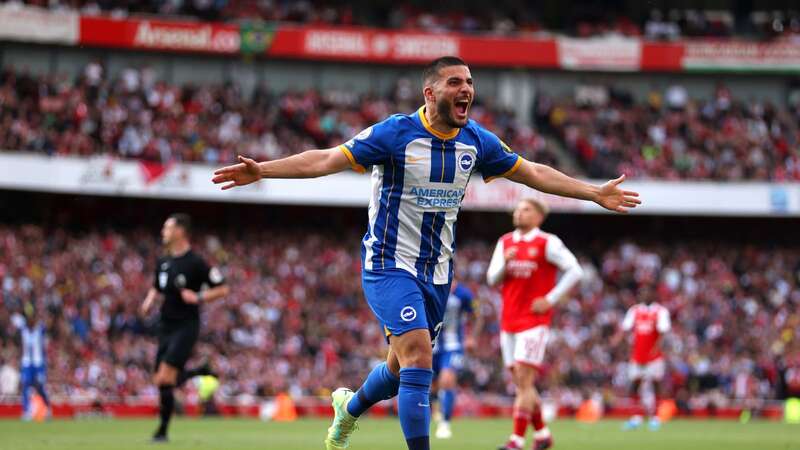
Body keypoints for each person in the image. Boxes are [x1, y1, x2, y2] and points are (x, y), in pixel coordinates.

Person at [212, 56, 640, 450]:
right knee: (419, 354)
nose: (467, 88)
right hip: (387, 263)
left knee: (400, 371)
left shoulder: (477, 141)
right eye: (455, 81)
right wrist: (263, 170)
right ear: (430, 93)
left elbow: (532, 172)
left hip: (437, 271)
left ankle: (350, 408)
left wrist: (592, 191)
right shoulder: (395, 134)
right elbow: (325, 159)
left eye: (470, 82)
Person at [487, 198, 584, 450]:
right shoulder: (505, 242)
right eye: (518, 209)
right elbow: (491, 278)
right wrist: (505, 264)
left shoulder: (547, 242)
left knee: (524, 379)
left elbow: (575, 270)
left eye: (526, 209)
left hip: (533, 320)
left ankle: (516, 441)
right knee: (521, 383)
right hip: (508, 320)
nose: (520, 213)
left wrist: (550, 299)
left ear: (539, 217)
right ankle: (542, 435)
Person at [140, 213, 229, 442]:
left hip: (186, 326)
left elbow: (222, 289)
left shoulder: (196, 262)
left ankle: (162, 432)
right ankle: (199, 371)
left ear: (180, 231)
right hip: (165, 325)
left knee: (164, 379)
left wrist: (199, 296)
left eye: (167, 228)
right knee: (162, 380)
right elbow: (156, 286)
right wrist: (149, 301)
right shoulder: (163, 261)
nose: (163, 232)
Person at [431, 282, 480, 439]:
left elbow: (477, 316)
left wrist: (472, 337)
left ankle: (445, 423)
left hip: (453, 346)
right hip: (431, 345)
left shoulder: (463, 293)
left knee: (447, 380)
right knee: (432, 386)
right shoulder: (430, 286)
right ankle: (436, 410)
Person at [617, 289, 671, 431]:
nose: (644, 294)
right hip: (637, 356)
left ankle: (656, 417)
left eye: (647, 292)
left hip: (654, 357)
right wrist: (618, 341)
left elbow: (663, 332)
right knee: (634, 384)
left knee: (656, 384)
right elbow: (625, 329)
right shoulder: (634, 311)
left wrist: (656, 348)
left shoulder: (660, 311)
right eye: (641, 292)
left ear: (653, 294)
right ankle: (636, 417)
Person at [13, 303, 51, 421]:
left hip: (38, 363)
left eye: (32, 318)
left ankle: (48, 408)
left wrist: (42, 313)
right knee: (25, 385)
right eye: (29, 318)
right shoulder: (22, 329)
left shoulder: (40, 329)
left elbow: (49, 322)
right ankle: (27, 411)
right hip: (26, 363)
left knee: (40, 387)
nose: (31, 321)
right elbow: (14, 318)